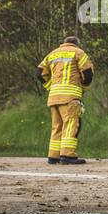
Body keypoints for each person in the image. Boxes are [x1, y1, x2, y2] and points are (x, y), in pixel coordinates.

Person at [37, 35, 93, 164]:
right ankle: (68, 155)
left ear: (64, 43)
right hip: (70, 96)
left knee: (57, 126)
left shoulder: (52, 54)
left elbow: (39, 73)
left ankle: (53, 156)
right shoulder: (79, 53)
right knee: (71, 124)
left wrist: (50, 87)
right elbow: (88, 74)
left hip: (54, 96)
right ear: (77, 44)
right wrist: (82, 88)